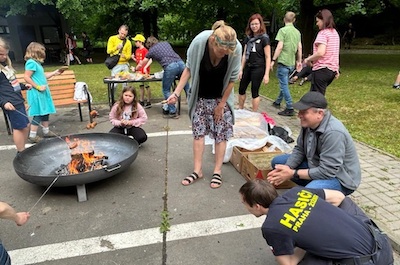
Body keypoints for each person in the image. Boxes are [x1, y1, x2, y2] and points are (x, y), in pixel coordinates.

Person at [239, 179, 394, 265]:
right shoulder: (297, 192)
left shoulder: (271, 227)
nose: (246, 208)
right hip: (381, 242)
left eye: (245, 204)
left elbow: (289, 263)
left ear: (257, 206)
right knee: (346, 204)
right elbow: (339, 197)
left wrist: (306, 243)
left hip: (368, 262)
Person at [166, 20, 242, 189]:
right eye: (221, 52)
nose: (223, 55)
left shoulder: (235, 47)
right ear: (213, 41)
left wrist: (222, 104)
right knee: (198, 133)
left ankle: (217, 171)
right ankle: (197, 170)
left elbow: (232, 80)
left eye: (226, 53)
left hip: (221, 97)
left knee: (221, 133)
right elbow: (188, 69)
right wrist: (176, 93)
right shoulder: (200, 42)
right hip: (200, 96)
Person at [267, 91, 361, 195]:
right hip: (317, 165)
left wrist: (293, 173)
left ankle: (318, 191)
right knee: (278, 163)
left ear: (320, 113)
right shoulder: (308, 124)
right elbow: (300, 149)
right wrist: (287, 168)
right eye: (299, 111)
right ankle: (314, 184)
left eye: (304, 112)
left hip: (339, 178)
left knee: (307, 193)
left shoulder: (334, 133)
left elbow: (327, 171)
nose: (299, 115)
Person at [134, 36, 188, 119]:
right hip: (181, 63)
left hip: (170, 67)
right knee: (186, 86)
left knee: (166, 89)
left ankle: (172, 111)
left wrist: (135, 69)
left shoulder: (151, 51)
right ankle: (195, 108)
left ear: (149, 44)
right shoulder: (166, 43)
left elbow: (142, 63)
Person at [23, 42, 64, 143]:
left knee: (45, 112)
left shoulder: (37, 64)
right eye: (42, 50)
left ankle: (46, 131)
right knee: (38, 113)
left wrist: (55, 72)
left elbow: (43, 76)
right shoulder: (31, 63)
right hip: (36, 93)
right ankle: (32, 136)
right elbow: (26, 77)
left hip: (42, 92)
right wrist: (37, 87)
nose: (44, 53)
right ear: (36, 51)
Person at [0, 37, 31, 154]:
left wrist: (23, 86)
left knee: (26, 126)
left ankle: (22, 149)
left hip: (18, 100)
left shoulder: (6, 66)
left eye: (5, 54)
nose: (4, 57)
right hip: (10, 103)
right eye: (1, 54)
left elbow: (12, 82)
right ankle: (21, 152)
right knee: (19, 127)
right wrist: (4, 103)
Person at [270, 11, 302, 117]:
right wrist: (299, 61)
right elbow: (299, 48)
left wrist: (273, 59)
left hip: (283, 61)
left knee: (284, 85)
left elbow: (279, 47)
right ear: (294, 20)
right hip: (291, 62)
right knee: (284, 83)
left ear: (284, 19)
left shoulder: (282, 31)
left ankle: (289, 107)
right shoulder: (297, 32)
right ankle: (278, 102)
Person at [238, 13, 271, 112]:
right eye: (252, 24)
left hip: (258, 67)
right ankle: (240, 109)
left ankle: (254, 113)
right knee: (241, 89)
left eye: (256, 24)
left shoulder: (264, 38)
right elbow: (244, 54)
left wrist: (267, 74)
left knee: (254, 91)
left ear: (260, 24)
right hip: (248, 66)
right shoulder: (248, 38)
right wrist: (241, 69)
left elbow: (268, 56)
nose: (254, 26)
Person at [303, 9, 340, 95]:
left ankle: (320, 109)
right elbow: (334, 53)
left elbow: (320, 52)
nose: (317, 24)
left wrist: (308, 59)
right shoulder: (334, 33)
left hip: (321, 70)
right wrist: (336, 68)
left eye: (318, 21)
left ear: (324, 20)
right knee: (312, 96)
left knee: (317, 99)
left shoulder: (323, 33)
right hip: (331, 71)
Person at [131, 34, 151, 109]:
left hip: (145, 72)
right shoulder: (137, 50)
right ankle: (141, 100)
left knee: (147, 86)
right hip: (139, 72)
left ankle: (148, 101)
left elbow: (147, 60)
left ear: (141, 42)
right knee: (141, 86)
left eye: (136, 41)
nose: (135, 43)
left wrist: (145, 68)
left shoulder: (145, 50)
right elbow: (138, 61)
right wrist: (133, 58)